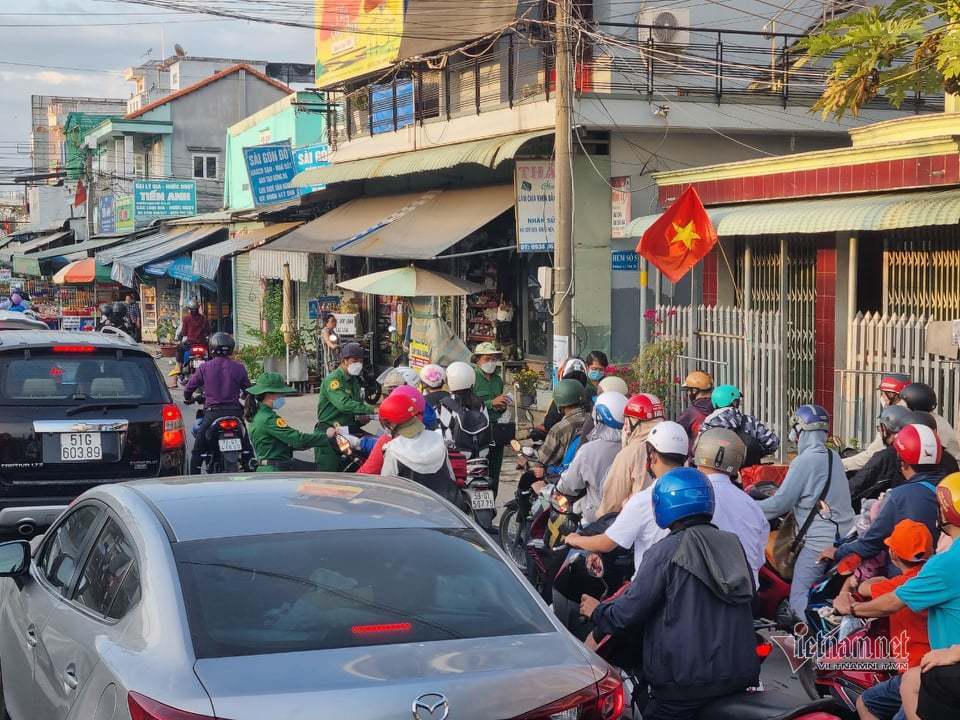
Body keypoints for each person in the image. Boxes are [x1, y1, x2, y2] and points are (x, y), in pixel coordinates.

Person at [581, 468, 760, 720]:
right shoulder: (732, 543)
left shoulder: (664, 551)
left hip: (684, 684)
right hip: (738, 676)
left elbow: (629, 612)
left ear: (663, 504)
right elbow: (754, 602)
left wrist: (597, 611)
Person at [832, 473, 960, 720]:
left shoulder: (945, 564)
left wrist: (850, 608)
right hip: (938, 668)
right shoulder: (932, 567)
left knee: (886, 694)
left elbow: (891, 602)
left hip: (942, 674)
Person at [757, 404, 855, 619]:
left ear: (801, 430)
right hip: (846, 538)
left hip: (819, 545)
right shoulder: (833, 457)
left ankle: (812, 637)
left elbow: (779, 504)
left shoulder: (804, 461)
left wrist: (746, 508)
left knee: (799, 595)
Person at [831, 519, 933, 720]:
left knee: (867, 703)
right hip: (933, 665)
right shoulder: (929, 576)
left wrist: (847, 596)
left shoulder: (899, 586)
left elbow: (864, 589)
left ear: (893, 554)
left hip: (917, 671)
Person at [565, 420, 690, 574]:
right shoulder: (698, 494)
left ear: (653, 457)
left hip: (647, 587)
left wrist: (574, 539)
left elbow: (606, 543)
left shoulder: (644, 500)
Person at [825, 423, 944, 575]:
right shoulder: (951, 487)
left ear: (902, 460)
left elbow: (869, 544)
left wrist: (837, 552)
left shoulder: (899, 496)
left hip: (903, 581)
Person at [693, 428, 768, 586]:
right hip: (746, 597)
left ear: (699, 452)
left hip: (703, 596)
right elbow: (759, 559)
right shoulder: (752, 506)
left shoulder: (692, 498)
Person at [377, 388, 459, 505]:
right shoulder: (438, 439)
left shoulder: (393, 449)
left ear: (391, 423)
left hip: (413, 513)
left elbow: (386, 489)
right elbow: (451, 477)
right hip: (447, 507)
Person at [183, 332, 250, 474]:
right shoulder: (239, 367)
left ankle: (194, 476)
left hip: (213, 414)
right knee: (246, 446)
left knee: (197, 450)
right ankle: (250, 462)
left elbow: (189, 387)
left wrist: (188, 397)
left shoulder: (204, 367)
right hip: (235, 413)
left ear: (212, 348)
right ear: (231, 348)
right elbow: (248, 389)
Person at [556, 391, 627, 523]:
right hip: (626, 517)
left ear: (598, 416)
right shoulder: (633, 447)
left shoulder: (589, 450)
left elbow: (569, 485)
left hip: (596, 518)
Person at [596, 393, 666, 517]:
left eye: (626, 420)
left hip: (637, 524)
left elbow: (612, 502)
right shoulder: (671, 444)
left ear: (634, 421)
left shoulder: (630, 453)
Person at [244, 372, 327, 471]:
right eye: (280, 393)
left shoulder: (258, 414)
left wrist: (297, 446)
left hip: (270, 467)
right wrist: (327, 437)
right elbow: (297, 439)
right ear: (270, 395)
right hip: (275, 471)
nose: (283, 397)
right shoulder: (268, 418)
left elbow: (276, 443)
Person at [314, 342, 377, 471]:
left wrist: (363, 418)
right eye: (355, 361)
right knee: (332, 474)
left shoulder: (354, 381)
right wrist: (373, 409)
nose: (358, 364)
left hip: (348, 431)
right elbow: (344, 405)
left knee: (367, 455)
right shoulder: (333, 380)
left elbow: (356, 407)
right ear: (344, 361)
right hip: (331, 433)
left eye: (360, 361)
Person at [844, 374, 911, 472]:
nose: (881, 397)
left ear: (891, 395)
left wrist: (840, 464)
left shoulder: (893, 420)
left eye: (883, 393)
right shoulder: (917, 414)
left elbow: (870, 456)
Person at [701, 384, 780, 466]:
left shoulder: (707, 424)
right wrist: (756, 452)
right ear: (735, 403)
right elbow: (773, 442)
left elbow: (698, 449)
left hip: (715, 472)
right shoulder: (749, 421)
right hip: (747, 474)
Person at [849, 404, 911, 508]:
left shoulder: (887, 456)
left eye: (880, 428)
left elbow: (855, 486)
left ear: (885, 429)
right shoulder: (937, 457)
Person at [472, 342, 509, 494]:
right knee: (477, 469)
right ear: (478, 360)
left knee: (494, 471)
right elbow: (467, 404)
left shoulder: (498, 380)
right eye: (487, 359)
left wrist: (502, 406)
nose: (491, 362)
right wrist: (490, 403)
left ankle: (491, 504)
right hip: (477, 431)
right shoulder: (472, 377)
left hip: (496, 430)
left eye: (494, 359)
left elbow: (498, 404)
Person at [900, 382, 960, 462]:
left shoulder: (926, 423)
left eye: (904, 404)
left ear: (915, 405)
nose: (900, 406)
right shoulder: (935, 419)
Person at [677, 370, 714, 441]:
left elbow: (677, 434)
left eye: (688, 390)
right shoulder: (718, 408)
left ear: (694, 391)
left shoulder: (690, 413)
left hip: (696, 450)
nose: (688, 393)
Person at [176, 299, 210, 376]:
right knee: (211, 354)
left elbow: (184, 333)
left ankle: (179, 368)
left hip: (190, 344)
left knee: (179, 349)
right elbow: (208, 332)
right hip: (202, 344)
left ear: (189, 309)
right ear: (198, 308)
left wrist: (180, 336)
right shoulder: (204, 318)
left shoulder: (186, 319)